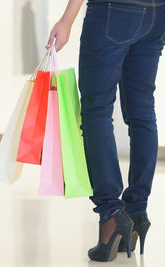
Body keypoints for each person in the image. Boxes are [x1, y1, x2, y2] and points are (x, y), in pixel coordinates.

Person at [46, 0, 165, 262]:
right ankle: (136, 210)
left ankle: (111, 214)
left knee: (97, 111)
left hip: (114, 9)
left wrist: (67, 19)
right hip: (157, 14)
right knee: (142, 111)